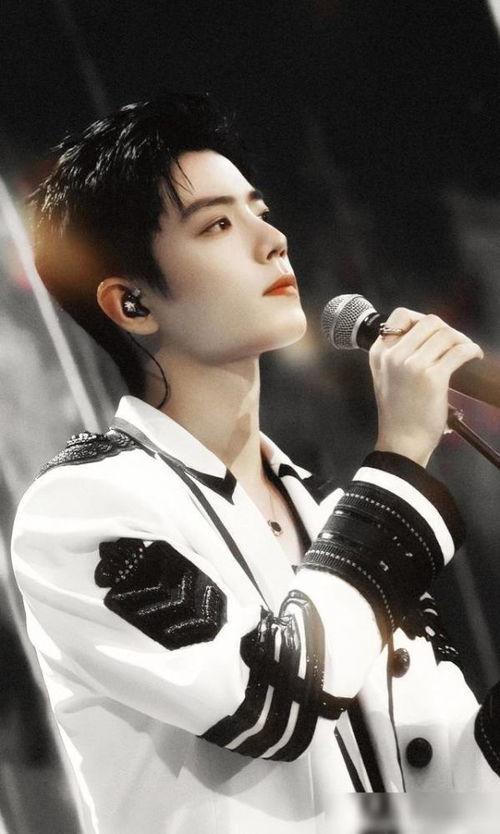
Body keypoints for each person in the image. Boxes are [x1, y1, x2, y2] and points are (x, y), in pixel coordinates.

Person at [11, 91, 500, 834]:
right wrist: (401, 454)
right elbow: (272, 702)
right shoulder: (82, 510)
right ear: (132, 303)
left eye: (260, 211)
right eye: (217, 224)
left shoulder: (334, 524)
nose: (272, 240)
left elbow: (449, 796)